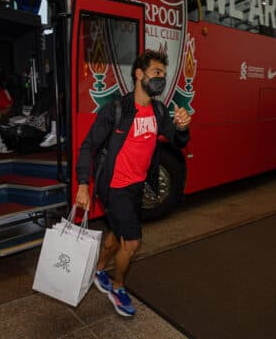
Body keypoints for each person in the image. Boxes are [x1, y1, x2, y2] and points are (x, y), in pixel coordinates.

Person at [74, 50, 191, 317]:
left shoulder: (159, 111)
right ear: (139, 74)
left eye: (163, 73)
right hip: (114, 186)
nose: (161, 78)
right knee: (133, 242)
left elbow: (178, 142)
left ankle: (99, 270)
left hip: (137, 186)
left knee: (118, 232)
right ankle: (118, 287)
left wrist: (182, 127)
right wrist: (83, 185)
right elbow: (88, 146)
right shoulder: (116, 110)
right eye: (156, 73)